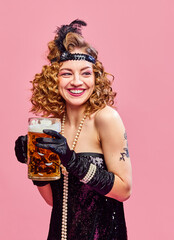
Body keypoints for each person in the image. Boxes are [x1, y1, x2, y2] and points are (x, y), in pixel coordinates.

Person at [14, 19, 132, 240]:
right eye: (67, 73)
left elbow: (124, 190)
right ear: (54, 80)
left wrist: (73, 160)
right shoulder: (53, 126)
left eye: (86, 73)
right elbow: (53, 201)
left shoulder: (106, 118)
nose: (77, 81)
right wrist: (34, 162)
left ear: (95, 78)